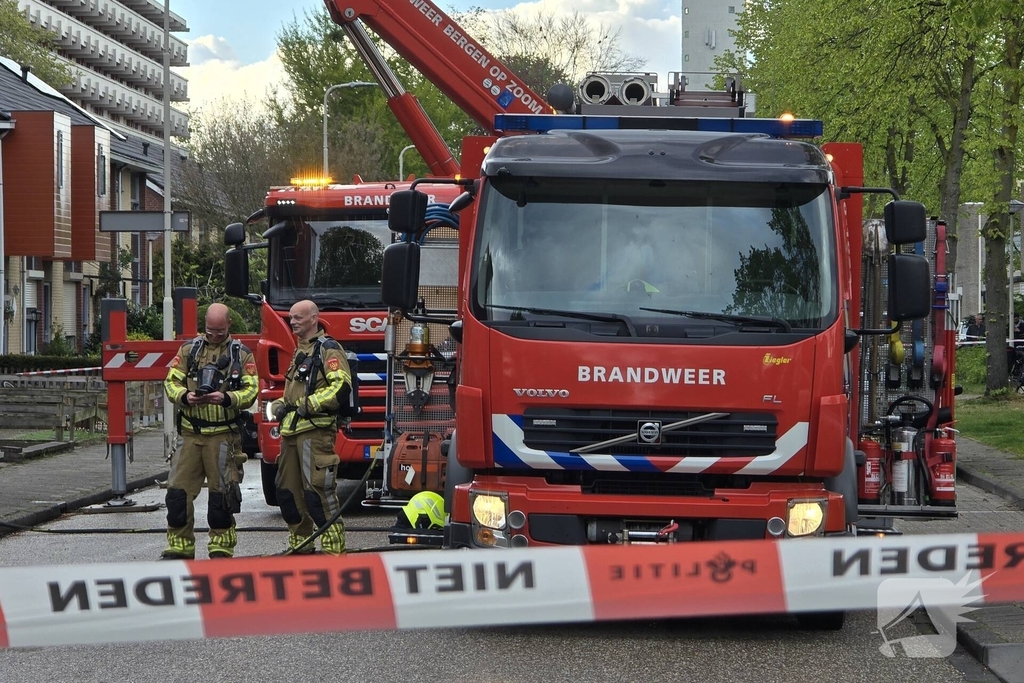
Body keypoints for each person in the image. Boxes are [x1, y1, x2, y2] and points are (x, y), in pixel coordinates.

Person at [162, 303, 258, 559]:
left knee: (222, 496)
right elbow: (170, 381)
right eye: (209, 330)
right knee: (177, 493)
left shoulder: (242, 355)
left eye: (219, 331)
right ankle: (179, 545)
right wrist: (185, 396)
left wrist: (226, 399)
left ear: (229, 325)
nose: (214, 335)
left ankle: (221, 547)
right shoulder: (189, 350)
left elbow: (251, 390)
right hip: (190, 434)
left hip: (223, 436)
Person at [271, 300, 352, 555]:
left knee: (318, 494)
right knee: (287, 493)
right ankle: (300, 544)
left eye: (297, 318)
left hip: (315, 433)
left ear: (314, 318)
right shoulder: (300, 351)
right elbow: (293, 392)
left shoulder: (329, 349)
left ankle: (333, 548)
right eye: (291, 318)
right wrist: (280, 405)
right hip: (291, 433)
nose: (292, 322)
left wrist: (310, 404)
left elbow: (341, 386)